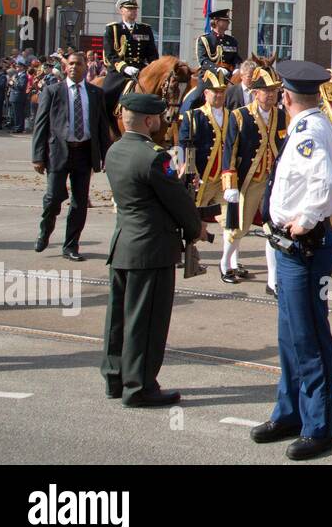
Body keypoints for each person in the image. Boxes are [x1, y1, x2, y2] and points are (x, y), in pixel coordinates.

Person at [250, 59, 332, 461]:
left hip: (302, 248)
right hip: (287, 247)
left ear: (286, 97)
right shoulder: (307, 125)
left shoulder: (310, 129)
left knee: (308, 337)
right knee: (290, 335)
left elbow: (326, 182)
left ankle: (318, 426)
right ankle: (289, 412)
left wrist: (304, 221)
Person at [101, 92, 204, 406]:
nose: (161, 120)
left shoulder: (116, 150)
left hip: (124, 244)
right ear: (149, 120)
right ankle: (140, 386)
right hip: (152, 248)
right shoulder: (154, 156)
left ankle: (115, 378)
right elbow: (177, 201)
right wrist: (195, 227)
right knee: (146, 321)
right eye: (157, 116)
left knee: (119, 318)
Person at [31, 50, 109, 261]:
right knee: (53, 197)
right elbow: (41, 125)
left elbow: (101, 126)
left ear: (86, 67)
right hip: (58, 153)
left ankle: (71, 245)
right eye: (71, 64)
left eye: (79, 64)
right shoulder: (53, 91)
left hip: (84, 153)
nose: (74, 67)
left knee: (79, 202)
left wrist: (105, 155)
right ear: (66, 68)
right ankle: (45, 230)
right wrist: (38, 156)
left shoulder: (95, 93)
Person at [221, 67, 287, 294]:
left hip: (273, 182)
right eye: (265, 91)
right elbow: (230, 149)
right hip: (249, 179)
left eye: (274, 91)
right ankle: (226, 262)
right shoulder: (240, 115)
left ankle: (272, 280)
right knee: (240, 226)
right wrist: (229, 183)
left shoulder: (282, 116)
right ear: (255, 92)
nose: (271, 95)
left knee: (273, 230)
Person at [178, 70, 234, 281]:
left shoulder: (232, 116)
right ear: (206, 93)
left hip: (223, 178)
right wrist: (190, 171)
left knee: (231, 221)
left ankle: (229, 264)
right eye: (214, 92)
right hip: (201, 176)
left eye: (222, 92)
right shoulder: (194, 116)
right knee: (191, 220)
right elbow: (186, 144)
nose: (218, 96)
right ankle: (187, 253)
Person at [102, 0, 159, 91]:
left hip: (140, 69)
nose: (133, 11)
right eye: (129, 9)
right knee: (106, 94)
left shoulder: (145, 29)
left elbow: (152, 54)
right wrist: (124, 67)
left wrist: (154, 68)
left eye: (135, 9)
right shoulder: (113, 29)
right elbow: (110, 55)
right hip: (119, 71)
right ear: (121, 11)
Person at [195, 9, 242, 80]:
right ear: (216, 22)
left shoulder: (232, 41)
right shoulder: (205, 40)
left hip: (229, 76)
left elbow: (236, 58)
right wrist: (217, 69)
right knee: (198, 91)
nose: (229, 22)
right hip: (209, 76)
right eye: (225, 20)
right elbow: (203, 60)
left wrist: (237, 68)